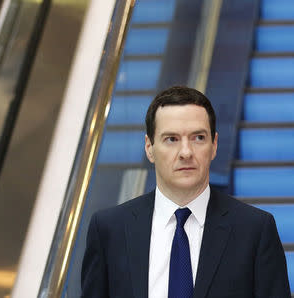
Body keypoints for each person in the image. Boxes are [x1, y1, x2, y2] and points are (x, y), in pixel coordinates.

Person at [81, 86, 290, 298]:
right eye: (171, 139)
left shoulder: (255, 230)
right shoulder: (109, 230)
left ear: (214, 145)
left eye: (198, 138)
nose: (186, 152)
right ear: (149, 148)